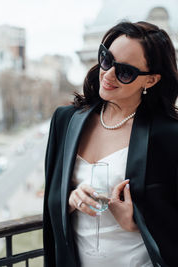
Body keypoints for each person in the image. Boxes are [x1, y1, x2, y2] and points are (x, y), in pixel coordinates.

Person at [43, 21, 178, 267]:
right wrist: (71, 199)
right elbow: (51, 201)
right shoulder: (65, 121)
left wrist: (136, 220)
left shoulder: (169, 135)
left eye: (125, 72)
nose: (108, 74)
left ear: (150, 81)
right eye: (106, 59)